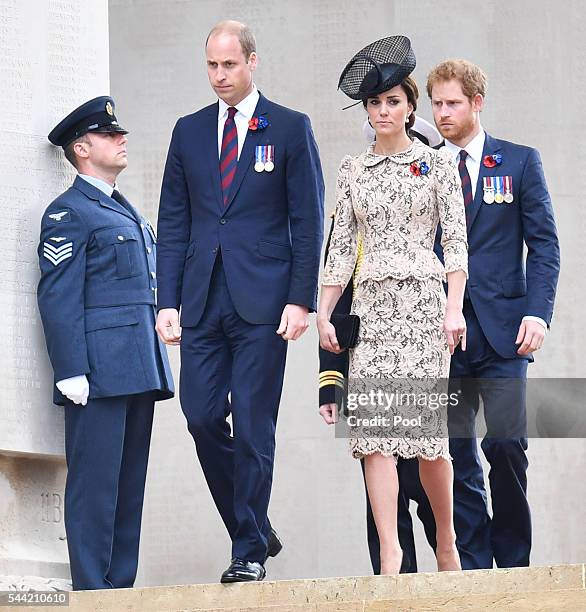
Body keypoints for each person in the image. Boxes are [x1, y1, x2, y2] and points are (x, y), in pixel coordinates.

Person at [155, 20, 324, 582]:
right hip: (202, 298)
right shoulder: (189, 131)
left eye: (229, 65)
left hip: (264, 303)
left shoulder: (291, 128)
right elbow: (174, 221)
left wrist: (301, 300)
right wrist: (167, 299)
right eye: (211, 65)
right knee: (201, 417)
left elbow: (308, 220)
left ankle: (247, 550)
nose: (219, 76)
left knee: (253, 425)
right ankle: (253, 524)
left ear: (252, 61)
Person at [317, 36, 468, 575]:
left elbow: (455, 248)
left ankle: (446, 539)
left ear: (410, 106)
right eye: (374, 104)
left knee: (429, 442)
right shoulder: (352, 170)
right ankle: (390, 550)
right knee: (375, 438)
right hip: (373, 310)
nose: (384, 112)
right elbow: (338, 251)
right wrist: (323, 312)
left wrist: (454, 310)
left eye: (393, 102)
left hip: (425, 309)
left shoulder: (436, 167)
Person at [424, 59, 561, 569]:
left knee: (505, 446)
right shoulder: (423, 166)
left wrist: (538, 314)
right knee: (454, 455)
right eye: (436, 103)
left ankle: (514, 564)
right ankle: (476, 569)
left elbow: (544, 245)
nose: (442, 113)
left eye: (452, 103)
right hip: (443, 334)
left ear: (477, 102)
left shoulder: (520, 162)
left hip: (506, 332)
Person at [37, 96, 174, 590]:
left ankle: (121, 591)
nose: (122, 139)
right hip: (96, 372)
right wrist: (70, 367)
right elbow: (58, 295)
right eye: (108, 134)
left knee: (127, 488)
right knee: (94, 488)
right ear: (81, 148)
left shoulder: (120, 208)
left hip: (138, 366)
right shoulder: (69, 212)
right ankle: (93, 590)